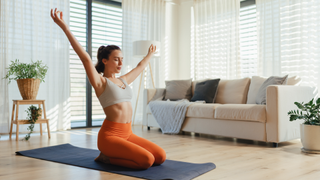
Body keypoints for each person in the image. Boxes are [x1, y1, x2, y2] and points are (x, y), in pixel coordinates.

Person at [50, 8, 166, 169]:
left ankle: (113, 155)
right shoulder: (100, 82)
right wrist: (65, 28)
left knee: (160, 156)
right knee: (146, 161)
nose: (120, 63)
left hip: (128, 133)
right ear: (105, 61)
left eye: (122, 60)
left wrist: (150, 54)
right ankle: (106, 158)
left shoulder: (123, 80)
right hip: (110, 136)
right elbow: (85, 58)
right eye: (116, 59)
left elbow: (140, 66)